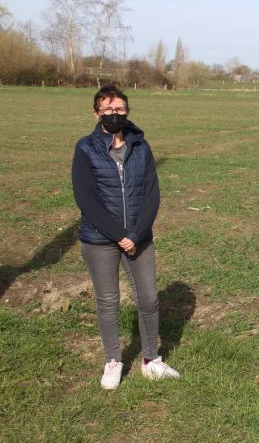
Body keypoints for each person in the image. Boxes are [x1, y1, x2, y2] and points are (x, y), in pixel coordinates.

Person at [72, 85, 179, 390]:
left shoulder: (141, 146)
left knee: (148, 298)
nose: (114, 114)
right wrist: (119, 234)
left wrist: (136, 233)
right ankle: (113, 361)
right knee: (108, 301)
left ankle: (150, 360)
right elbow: (86, 198)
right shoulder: (85, 148)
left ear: (127, 111)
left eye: (119, 109)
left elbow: (152, 194)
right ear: (97, 113)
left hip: (139, 238)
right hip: (99, 239)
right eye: (107, 110)